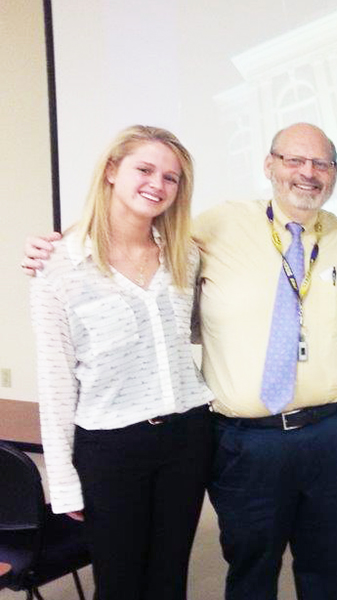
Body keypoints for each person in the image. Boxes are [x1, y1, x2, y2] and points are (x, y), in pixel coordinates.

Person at [24, 122, 337, 600]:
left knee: (327, 570)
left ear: (335, 174)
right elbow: (58, 376)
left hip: (312, 434)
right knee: (244, 570)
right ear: (269, 166)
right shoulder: (214, 228)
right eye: (293, 159)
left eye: (321, 163)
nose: (307, 173)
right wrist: (57, 243)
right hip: (236, 441)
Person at [29, 125, 214, 599]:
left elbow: (190, 332)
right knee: (119, 585)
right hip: (111, 449)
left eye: (171, 178)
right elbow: (55, 386)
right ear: (112, 170)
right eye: (145, 169)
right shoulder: (58, 265)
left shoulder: (184, 257)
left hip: (186, 438)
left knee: (169, 579)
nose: (158, 184)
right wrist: (64, 483)